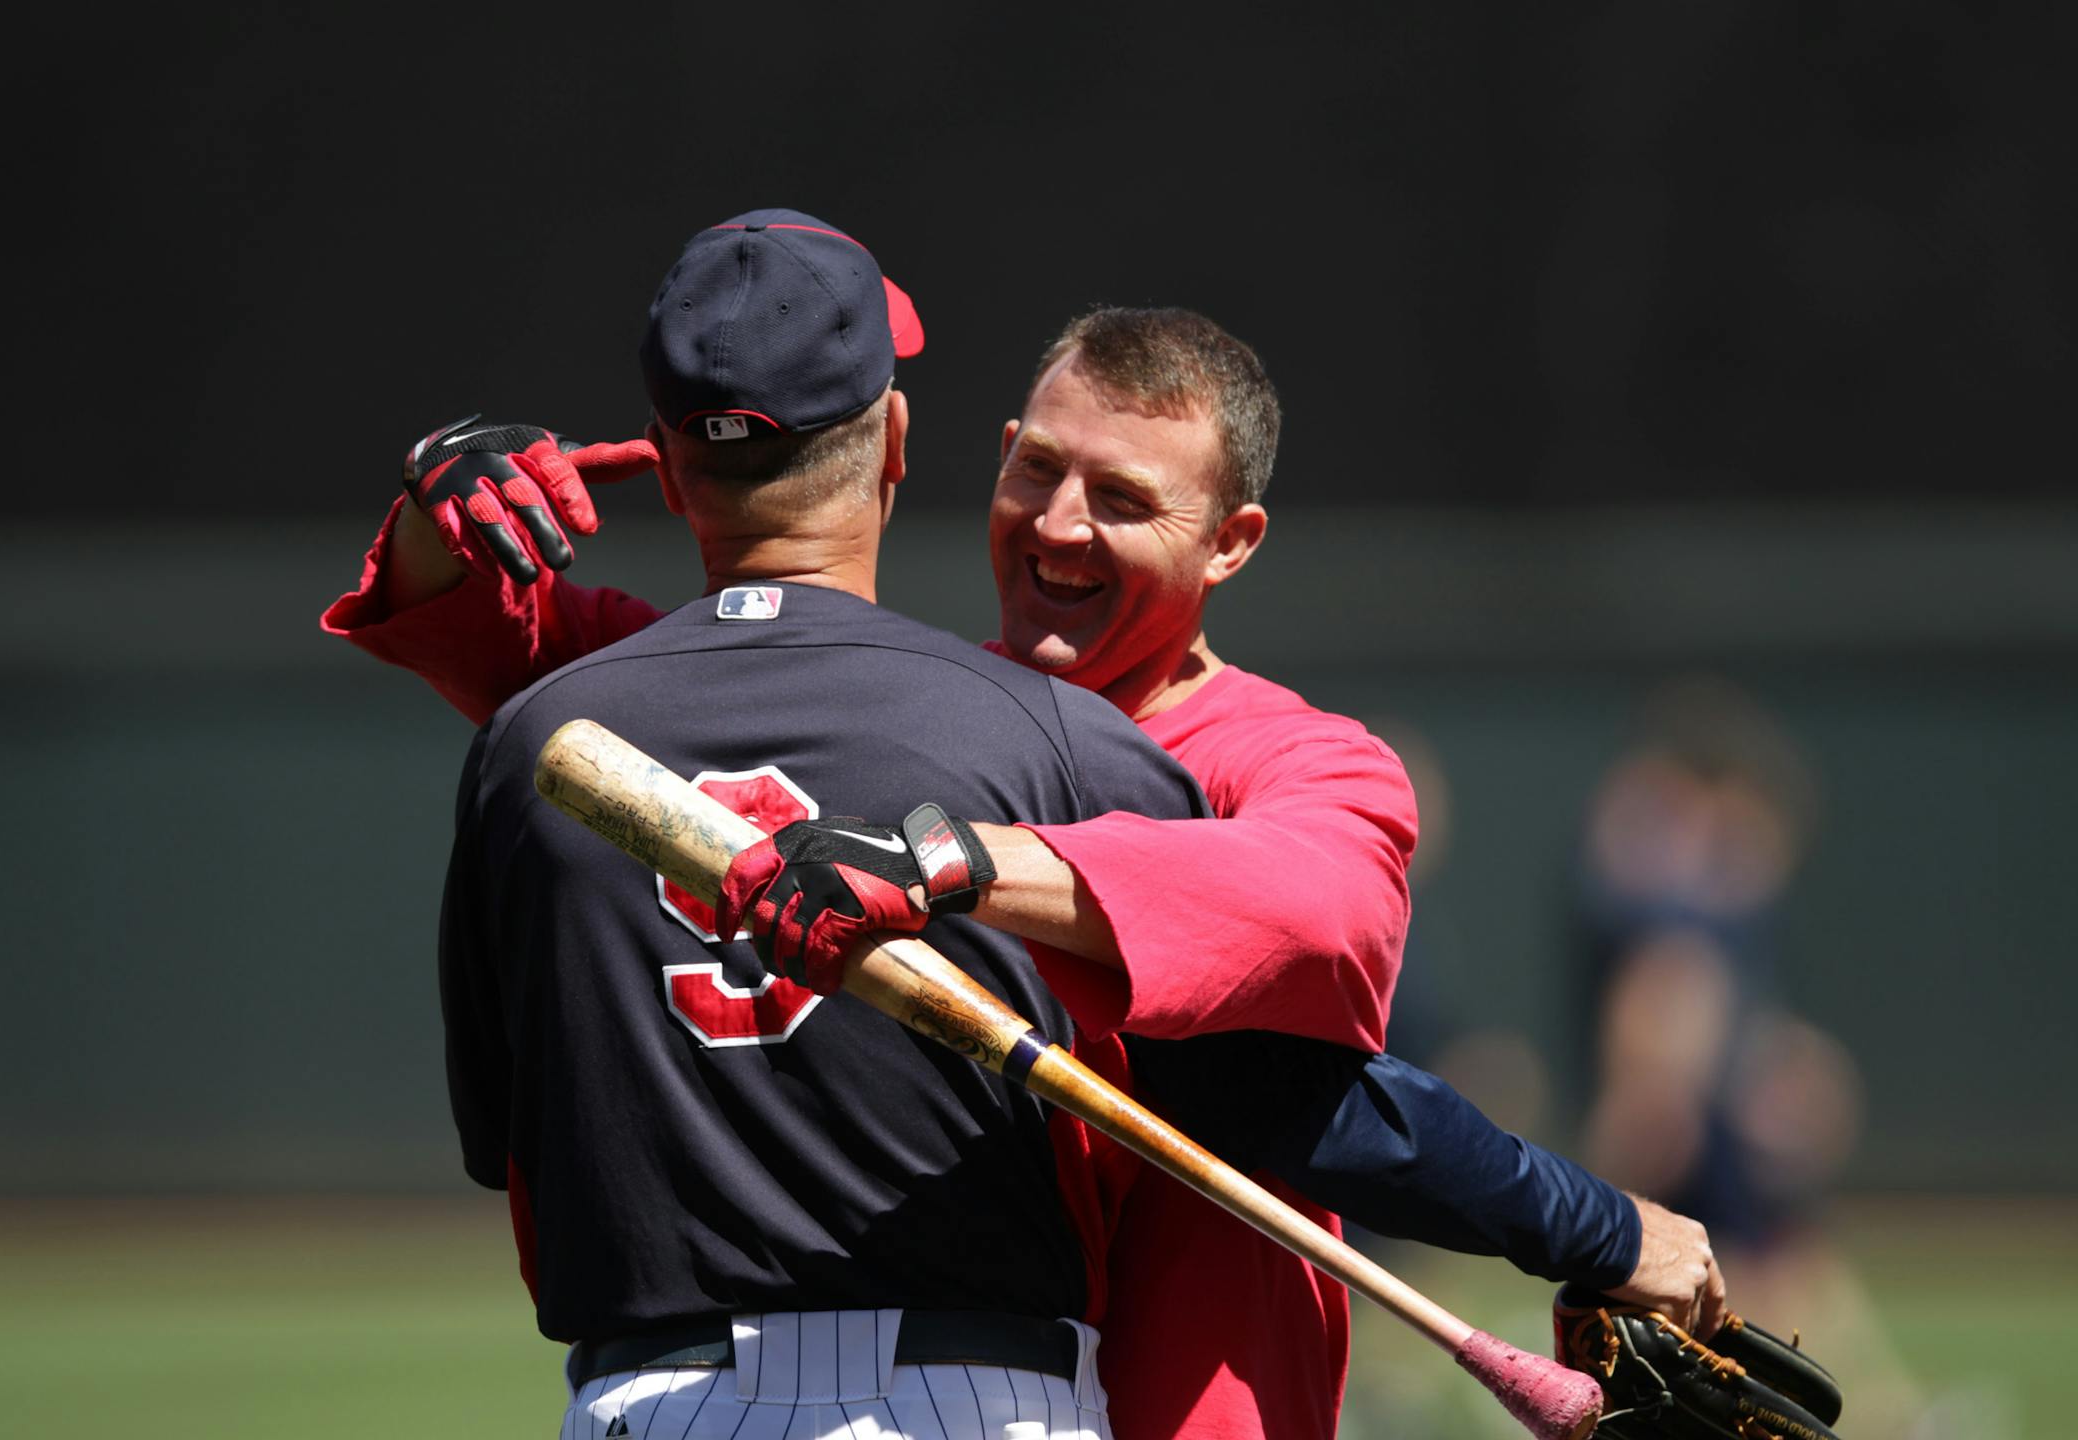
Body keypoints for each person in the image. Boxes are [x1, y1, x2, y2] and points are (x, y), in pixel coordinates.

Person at [329, 295, 1724, 1438]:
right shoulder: (918, 721)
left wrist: (953, 859)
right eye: (1037, 469)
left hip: (1187, 1411)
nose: (1059, 523)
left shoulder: (1299, 759)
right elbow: (510, 644)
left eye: (1123, 498)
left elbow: (1315, 923)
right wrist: (462, 492)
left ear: (1231, 544)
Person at [438, 208, 1213, 1439]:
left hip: (659, 1399)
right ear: (894, 441)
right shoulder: (1065, 744)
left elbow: (505, 1145)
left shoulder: (528, 745)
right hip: (981, 1399)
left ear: (665, 456)